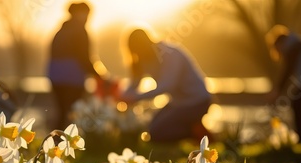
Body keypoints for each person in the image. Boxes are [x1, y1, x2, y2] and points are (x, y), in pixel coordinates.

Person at [120, 28, 212, 142]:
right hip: (178, 102)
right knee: (151, 128)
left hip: (197, 101)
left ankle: (198, 133)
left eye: (139, 48)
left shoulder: (169, 53)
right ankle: (195, 127)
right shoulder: (142, 60)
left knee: (157, 133)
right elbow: (134, 85)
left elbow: (167, 85)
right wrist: (121, 96)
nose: (138, 53)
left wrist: (135, 98)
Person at [48, 2, 108, 130]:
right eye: (86, 14)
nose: (87, 18)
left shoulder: (61, 31)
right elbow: (84, 58)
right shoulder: (80, 31)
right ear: (78, 13)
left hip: (54, 76)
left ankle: (55, 141)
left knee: (62, 111)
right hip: (72, 78)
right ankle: (71, 142)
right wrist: (100, 76)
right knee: (74, 112)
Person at [266, 25, 301, 143]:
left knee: (296, 103)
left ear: (279, 43)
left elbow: (287, 73)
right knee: (297, 102)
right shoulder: (297, 44)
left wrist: (277, 91)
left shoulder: (292, 48)